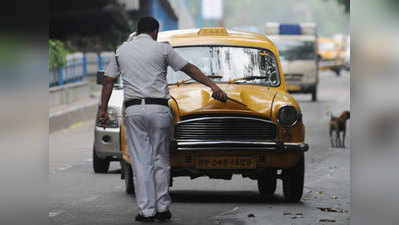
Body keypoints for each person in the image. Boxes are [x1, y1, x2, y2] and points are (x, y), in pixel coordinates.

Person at [98, 17, 227, 222]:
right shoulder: (163, 49)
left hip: (134, 110)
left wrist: (103, 110)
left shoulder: (121, 50)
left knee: (141, 162)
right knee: (161, 159)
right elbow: (189, 68)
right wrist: (213, 86)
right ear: (156, 31)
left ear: (137, 30)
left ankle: (146, 211)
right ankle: (163, 208)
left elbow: (108, 81)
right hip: (159, 109)